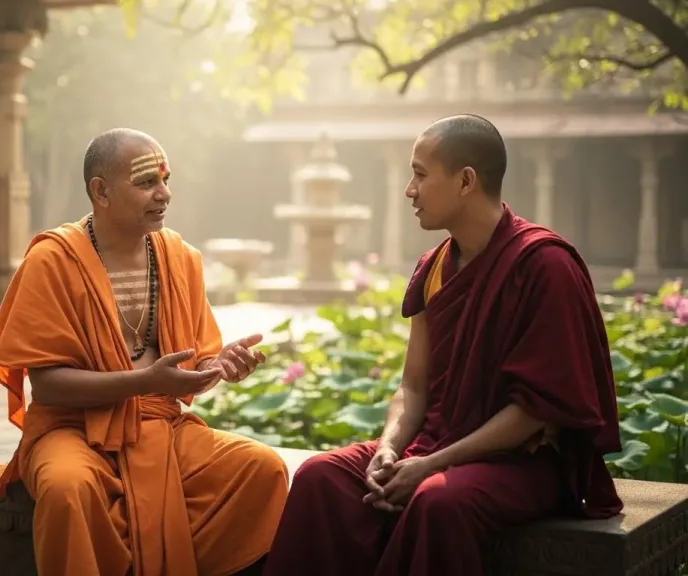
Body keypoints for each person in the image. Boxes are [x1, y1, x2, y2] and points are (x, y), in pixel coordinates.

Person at [262, 114, 624, 576]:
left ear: (466, 180)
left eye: (419, 174)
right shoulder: (435, 266)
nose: (409, 190)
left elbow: (538, 411)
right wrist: (389, 449)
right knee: (321, 477)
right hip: (435, 444)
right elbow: (413, 387)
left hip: (525, 460)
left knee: (437, 501)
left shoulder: (544, 265)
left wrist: (433, 463)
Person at [0, 127, 289, 576]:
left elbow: (195, 357)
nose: (163, 194)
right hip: (72, 429)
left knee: (261, 470)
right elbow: (46, 387)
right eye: (146, 183)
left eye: (165, 180)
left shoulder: (178, 257)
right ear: (100, 192)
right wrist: (145, 381)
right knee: (68, 489)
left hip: (157, 423)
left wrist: (217, 365)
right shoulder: (52, 260)